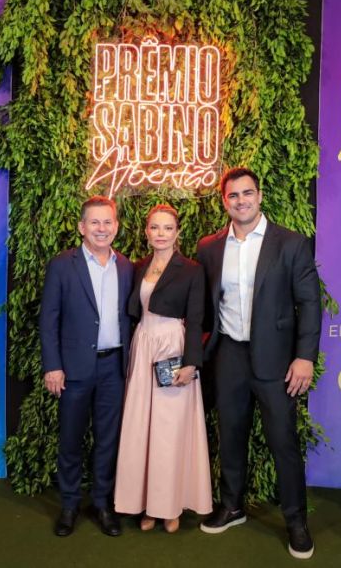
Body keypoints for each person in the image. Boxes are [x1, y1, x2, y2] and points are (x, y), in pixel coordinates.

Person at [195, 167, 321, 560]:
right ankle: (232, 506)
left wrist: (304, 357)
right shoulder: (209, 247)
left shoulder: (291, 243)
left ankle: (296, 521)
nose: (241, 201)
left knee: (283, 441)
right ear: (224, 202)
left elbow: (309, 304)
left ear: (259, 195)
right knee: (231, 434)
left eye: (247, 193)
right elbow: (205, 306)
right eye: (233, 195)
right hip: (229, 355)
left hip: (277, 359)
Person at [114, 204, 212, 533]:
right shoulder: (138, 267)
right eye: (155, 227)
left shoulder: (192, 270)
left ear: (177, 232)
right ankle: (146, 505)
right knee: (142, 427)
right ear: (146, 232)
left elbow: (196, 319)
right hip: (143, 345)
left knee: (169, 431)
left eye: (168, 228)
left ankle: (169, 507)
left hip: (173, 347)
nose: (161, 234)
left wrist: (191, 362)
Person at [39, 195, 134, 537]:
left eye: (107, 222)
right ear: (82, 227)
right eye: (94, 222)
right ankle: (69, 504)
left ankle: (102, 503)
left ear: (116, 227)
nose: (101, 228)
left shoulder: (125, 266)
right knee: (71, 438)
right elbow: (49, 319)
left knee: (108, 439)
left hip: (113, 368)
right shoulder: (63, 265)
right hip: (74, 369)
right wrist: (53, 366)